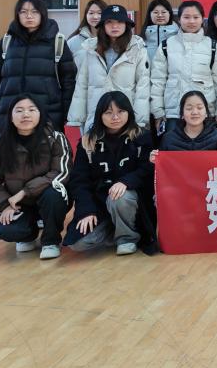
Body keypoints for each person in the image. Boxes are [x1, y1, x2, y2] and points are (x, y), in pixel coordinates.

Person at [0, 95, 72, 259]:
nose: (25, 115)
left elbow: (60, 172)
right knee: (9, 230)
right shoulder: (0, 145)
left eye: (31, 110)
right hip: (19, 204)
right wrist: (4, 205)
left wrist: (25, 192)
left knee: (54, 193)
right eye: (19, 111)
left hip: (48, 198)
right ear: (11, 117)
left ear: (40, 114)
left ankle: (51, 241)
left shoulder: (56, 138)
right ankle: (27, 235)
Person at [64, 92, 155, 255]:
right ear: (100, 115)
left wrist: (126, 182)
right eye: (108, 112)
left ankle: (127, 238)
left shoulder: (141, 136)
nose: (115, 117)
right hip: (99, 203)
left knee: (119, 197)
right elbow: (79, 181)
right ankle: (115, 228)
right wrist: (86, 211)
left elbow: (147, 170)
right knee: (78, 244)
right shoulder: (88, 141)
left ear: (129, 112)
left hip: (130, 202)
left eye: (120, 111)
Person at [0, 0, 76, 142]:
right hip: (7, 114)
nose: (29, 16)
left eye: (34, 11)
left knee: (44, 154)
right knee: (5, 154)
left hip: (47, 114)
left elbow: (68, 81)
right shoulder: (7, 42)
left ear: (42, 14)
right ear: (17, 14)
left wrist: (66, 113)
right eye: (23, 12)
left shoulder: (57, 42)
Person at [69, 4, 150, 131]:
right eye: (109, 22)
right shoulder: (91, 49)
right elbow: (82, 84)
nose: (115, 26)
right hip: (96, 112)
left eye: (120, 22)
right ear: (103, 25)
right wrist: (77, 116)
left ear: (126, 25)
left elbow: (143, 86)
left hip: (124, 115)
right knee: (95, 143)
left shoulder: (137, 49)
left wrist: (139, 119)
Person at [150, 0, 217, 136]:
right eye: (186, 17)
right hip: (173, 113)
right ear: (179, 19)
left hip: (205, 112)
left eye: (196, 17)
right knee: (174, 148)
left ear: (202, 19)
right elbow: (158, 81)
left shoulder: (213, 47)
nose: (191, 21)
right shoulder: (166, 46)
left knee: (206, 149)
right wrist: (158, 110)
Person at [151, 90, 217, 154]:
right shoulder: (169, 138)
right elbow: (163, 166)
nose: (194, 112)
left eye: (199, 108)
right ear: (182, 114)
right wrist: (154, 160)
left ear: (206, 112)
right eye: (189, 108)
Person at [141, 0, 178, 64]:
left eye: (163, 12)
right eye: (155, 12)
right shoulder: (141, 39)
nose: (160, 15)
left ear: (169, 14)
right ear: (149, 14)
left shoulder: (178, 36)